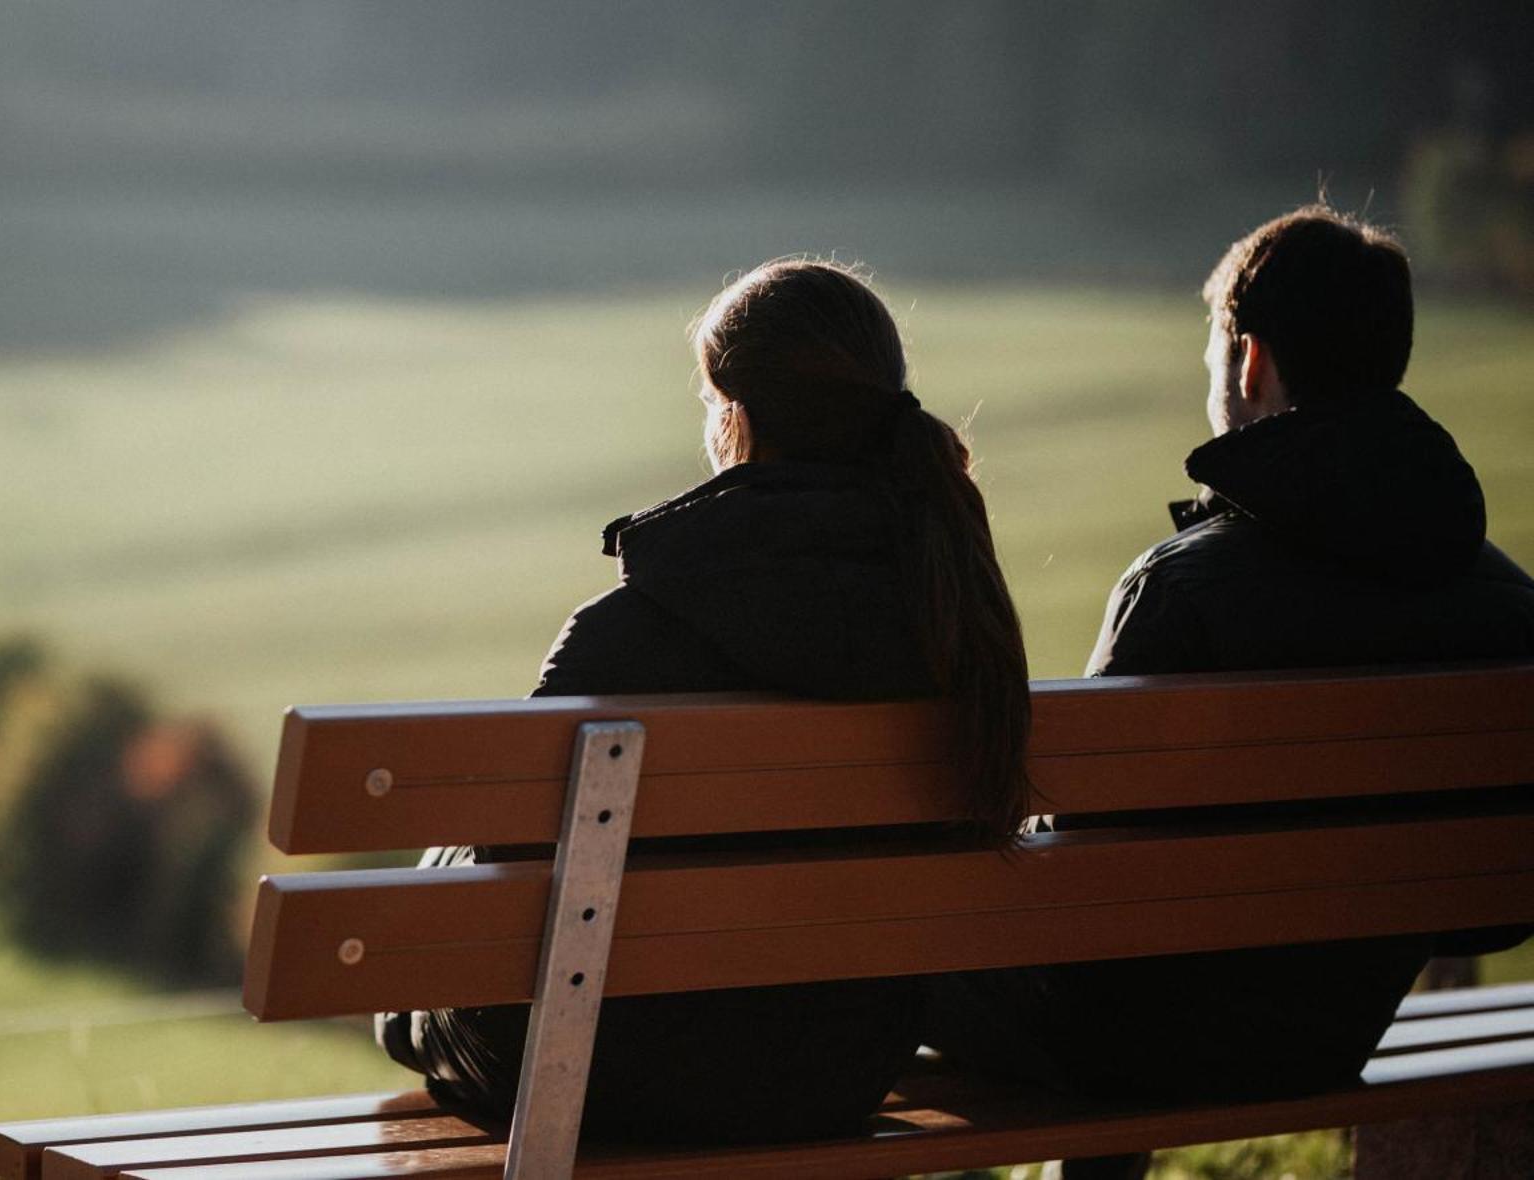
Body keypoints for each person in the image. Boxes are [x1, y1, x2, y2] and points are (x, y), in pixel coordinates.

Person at [924, 206, 1534, 1177]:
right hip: (1333, 1025)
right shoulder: (1502, 596)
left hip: (1121, 1040)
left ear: (1247, 363)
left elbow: (1081, 886)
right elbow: (1488, 913)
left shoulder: (1184, 586)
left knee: (876, 937)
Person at [375, 258, 1035, 1144]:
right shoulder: (960, 621)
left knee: (411, 985)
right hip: (840, 1066)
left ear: (736, 414)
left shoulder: (626, 631)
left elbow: (508, 873)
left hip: (594, 1069)